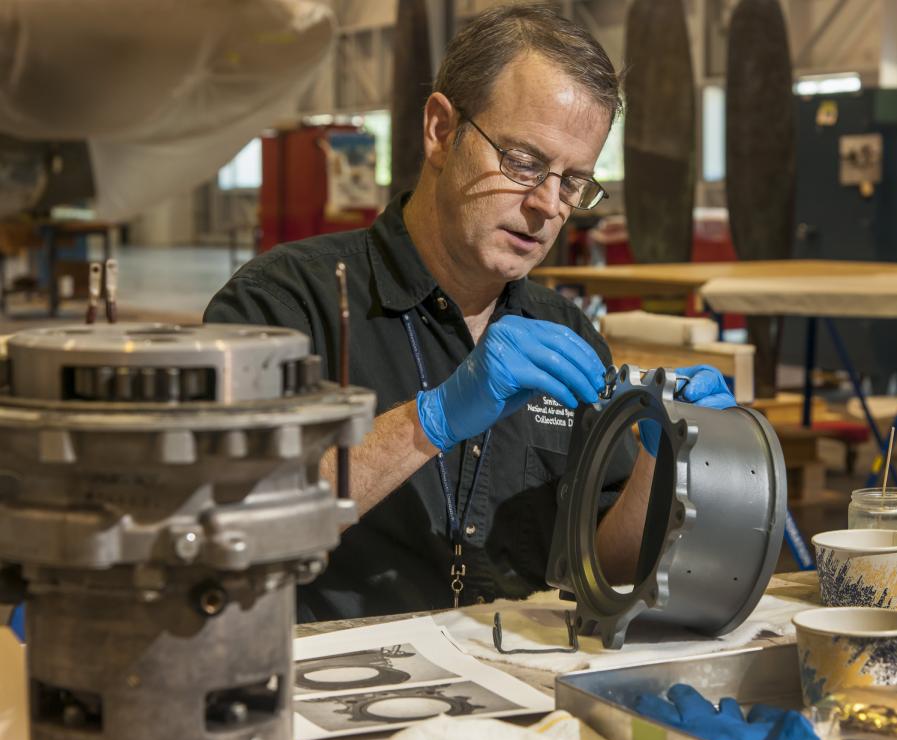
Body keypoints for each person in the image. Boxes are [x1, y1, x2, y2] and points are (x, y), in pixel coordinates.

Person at [205, 4, 735, 622]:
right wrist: (429, 421)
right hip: (336, 689)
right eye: (524, 162)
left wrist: (662, 458)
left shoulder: (566, 334)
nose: (546, 206)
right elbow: (231, 526)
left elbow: (605, 569)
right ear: (439, 130)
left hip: (519, 685)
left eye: (573, 182)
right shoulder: (284, 305)